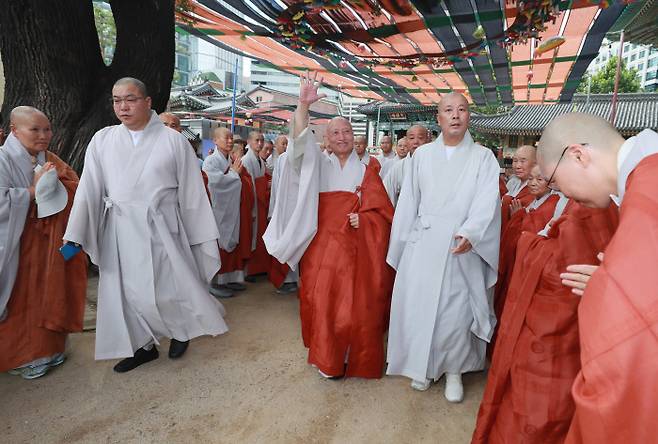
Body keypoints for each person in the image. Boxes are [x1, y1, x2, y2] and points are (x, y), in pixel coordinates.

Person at [64, 77, 228, 373]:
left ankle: (180, 331)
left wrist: (199, 236)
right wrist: (76, 232)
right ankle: (142, 346)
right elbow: (89, 188)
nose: (122, 107)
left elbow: (192, 194)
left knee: (168, 285)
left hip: (161, 227)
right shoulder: (102, 140)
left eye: (130, 99)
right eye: (116, 100)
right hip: (119, 228)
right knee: (126, 291)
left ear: (147, 102)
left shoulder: (173, 140)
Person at [535, 113, 658, 443]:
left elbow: (636, 339)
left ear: (578, 154)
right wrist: (614, 283)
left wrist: (612, 291)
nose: (565, 195)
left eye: (556, 182)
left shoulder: (648, 192)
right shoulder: (644, 180)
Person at [264, 72, 395, 379]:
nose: (341, 137)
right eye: (334, 133)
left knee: (354, 305)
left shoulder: (369, 170)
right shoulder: (316, 163)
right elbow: (297, 143)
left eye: (346, 132)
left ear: (356, 137)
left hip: (355, 250)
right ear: (325, 139)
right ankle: (327, 358)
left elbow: (384, 214)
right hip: (321, 246)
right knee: (321, 300)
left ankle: (351, 355)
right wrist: (303, 106)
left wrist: (365, 219)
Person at [472, 195, 618, 443]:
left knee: (538, 409)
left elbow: (560, 270)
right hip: (574, 319)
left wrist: (532, 240)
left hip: (557, 327)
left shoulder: (590, 208)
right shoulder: (589, 200)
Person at [386, 93, 500, 402]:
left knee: (455, 309)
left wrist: (472, 232)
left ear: (468, 117)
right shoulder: (421, 156)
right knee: (422, 305)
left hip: (460, 242)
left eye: (462, 110)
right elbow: (409, 201)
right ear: (438, 118)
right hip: (424, 241)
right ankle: (422, 366)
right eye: (448, 110)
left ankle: (453, 370)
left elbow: (488, 199)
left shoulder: (483, 157)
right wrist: (403, 242)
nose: (455, 116)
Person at [0, 106, 87, 379]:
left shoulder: (49, 157)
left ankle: (50, 349)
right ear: (15, 130)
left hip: (48, 244)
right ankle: (21, 357)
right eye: (34, 129)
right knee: (21, 300)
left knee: (50, 293)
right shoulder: (2, 160)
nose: (43, 135)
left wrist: (58, 182)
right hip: (16, 245)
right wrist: (34, 191)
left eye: (46, 129)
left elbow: (77, 187)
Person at [493, 165, 559, 327]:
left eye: (540, 179)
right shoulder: (534, 200)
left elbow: (532, 233)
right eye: (531, 179)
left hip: (526, 263)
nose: (533, 183)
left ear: (551, 182)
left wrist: (518, 216)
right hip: (516, 260)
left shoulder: (552, 203)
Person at [203, 127, 247, 298]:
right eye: (226, 138)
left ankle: (227, 279)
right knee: (217, 245)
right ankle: (214, 282)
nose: (230, 141)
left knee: (230, 243)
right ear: (215, 140)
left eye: (231, 138)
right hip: (217, 210)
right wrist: (234, 175)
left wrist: (233, 175)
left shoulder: (231, 159)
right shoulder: (210, 162)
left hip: (230, 208)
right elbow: (214, 185)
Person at [267, 135, 298, 294]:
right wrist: (275, 209)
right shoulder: (283, 159)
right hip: (286, 208)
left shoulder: (307, 157)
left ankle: (296, 279)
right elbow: (277, 187)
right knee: (286, 242)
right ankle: (284, 280)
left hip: (300, 208)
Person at [383, 125, 428, 206]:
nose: (416, 142)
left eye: (420, 138)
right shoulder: (398, 167)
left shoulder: (435, 164)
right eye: (411, 138)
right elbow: (386, 192)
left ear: (428, 140)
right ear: (407, 141)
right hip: (404, 213)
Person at [501, 145, 536, 232]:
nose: (517, 166)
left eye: (523, 161)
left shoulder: (536, 189)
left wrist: (518, 215)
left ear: (535, 163)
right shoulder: (513, 183)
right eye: (515, 161)